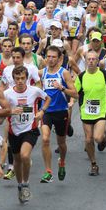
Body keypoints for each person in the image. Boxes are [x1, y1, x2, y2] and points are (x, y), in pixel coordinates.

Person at [3, 66, 51, 203]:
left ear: (27, 78)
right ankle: (20, 185)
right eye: (17, 78)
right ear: (13, 79)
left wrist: (42, 111)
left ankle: (26, 183)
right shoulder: (7, 94)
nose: (20, 81)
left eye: (22, 78)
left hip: (30, 129)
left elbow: (47, 98)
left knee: (25, 155)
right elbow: (2, 111)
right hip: (14, 131)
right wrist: (11, 111)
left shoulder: (34, 91)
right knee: (17, 160)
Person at [74, 51, 106, 176]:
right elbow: (75, 91)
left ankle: (103, 139)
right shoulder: (81, 76)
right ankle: (94, 164)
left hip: (101, 110)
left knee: (97, 138)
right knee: (88, 140)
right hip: (86, 111)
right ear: (86, 61)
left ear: (98, 61)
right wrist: (71, 101)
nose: (91, 61)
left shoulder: (104, 74)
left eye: (94, 59)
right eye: (89, 59)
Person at [39, 46, 78, 183]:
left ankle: (62, 162)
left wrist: (62, 88)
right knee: (45, 139)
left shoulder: (64, 73)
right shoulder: (41, 73)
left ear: (59, 58)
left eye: (53, 57)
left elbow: (75, 94)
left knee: (61, 143)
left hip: (61, 111)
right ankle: (48, 171)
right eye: (48, 56)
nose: (50, 59)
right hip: (46, 112)